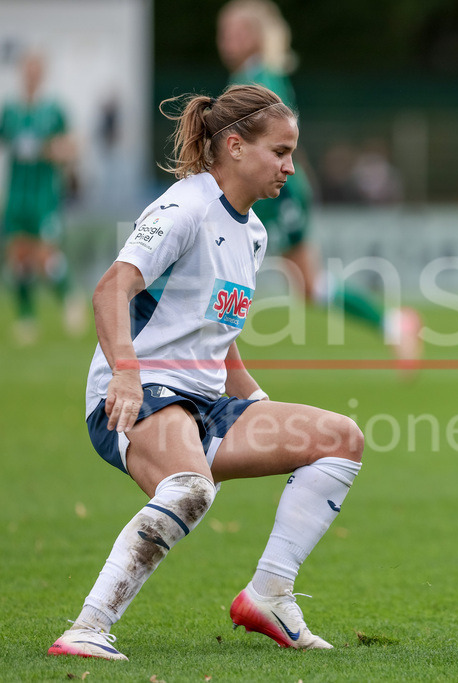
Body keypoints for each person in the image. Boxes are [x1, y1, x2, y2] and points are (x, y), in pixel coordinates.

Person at [47, 84, 364, 661]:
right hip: (137, 393)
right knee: (191, 487)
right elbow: (110, 289)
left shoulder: (255, 232)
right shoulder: (184, 207)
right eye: (281, 152)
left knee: (340, 439)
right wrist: (123, 372)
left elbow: (221, 340)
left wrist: (260, 403)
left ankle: (269, 595)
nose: (291, 168)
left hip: (204, 403)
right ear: (237, 146)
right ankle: (88, 627)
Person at [216, 0, 421, 367]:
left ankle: (205, 368)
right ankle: (395, 325)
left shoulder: (262, 80)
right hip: (273, 192)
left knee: (229, 275)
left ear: (255, 37)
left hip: (276, 195)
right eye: (223, 32)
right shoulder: (251, 78)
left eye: (236, 32)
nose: (227, 41)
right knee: (308, 287)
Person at [1, 50, 83, 344]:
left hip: (43, 195)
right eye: (27, 69)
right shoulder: (10, 111)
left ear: (42, 73)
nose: (31, 74)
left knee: (45, 255)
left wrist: (51, 150)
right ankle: (26, 318)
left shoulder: (53, 111)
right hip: (16, 195)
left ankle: (68, 298)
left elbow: (72, 147)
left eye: (36, 69)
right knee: (18, 256)